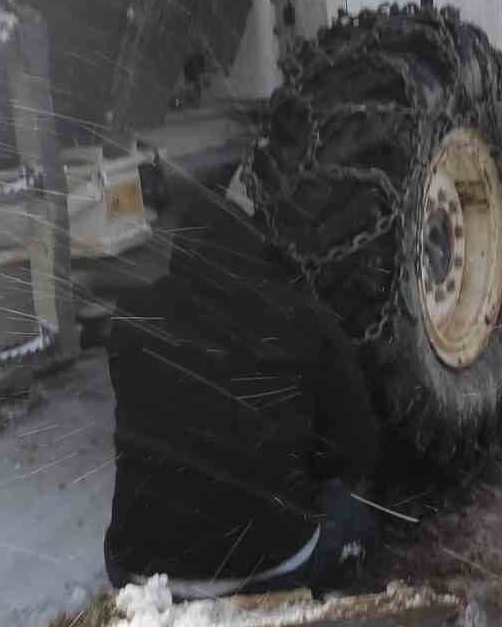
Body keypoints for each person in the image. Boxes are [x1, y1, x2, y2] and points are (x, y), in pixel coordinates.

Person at [103, 187, 379, 599]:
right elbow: (354, 448)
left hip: (141, 573)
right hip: (272, 566)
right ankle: (329, 591)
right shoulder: (304, 318)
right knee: (352, 509)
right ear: (256, 249)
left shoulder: (133, 317)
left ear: (181, 253)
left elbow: (146, 410)